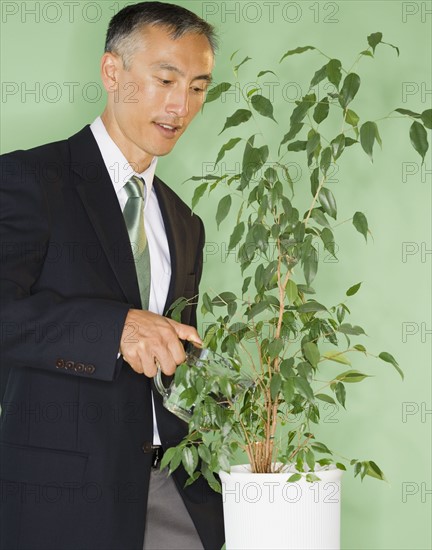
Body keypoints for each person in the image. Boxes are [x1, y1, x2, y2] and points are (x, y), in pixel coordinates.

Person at [0, 2, 225, 549]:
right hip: (64, 497)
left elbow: (167, 353)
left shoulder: (184, 221)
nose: (181, 105)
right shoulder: (29, 178)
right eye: (166, 79)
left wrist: (231, 388)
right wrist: (113, 329)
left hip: (180, 485)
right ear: (112, 73)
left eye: (198, 87)